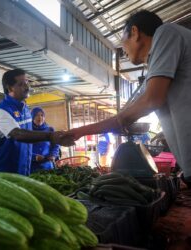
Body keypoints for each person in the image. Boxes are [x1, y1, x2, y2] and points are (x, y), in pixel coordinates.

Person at [65, 10, 191, 184]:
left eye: (122, 41)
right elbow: (130, 110)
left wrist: (121, 120)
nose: (123, 51)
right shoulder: (154, 74)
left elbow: (151, 101)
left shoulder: (166, 32)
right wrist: (79, 132)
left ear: (134, 32)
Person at [0, 69, 72, 175]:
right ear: (10, 88)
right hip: (4, 172)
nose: (27, 87)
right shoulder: (2, 112)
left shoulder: (25, 108)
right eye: (21, 84)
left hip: (23, 170)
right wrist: (51, 136)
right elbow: (18, 134)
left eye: (27, 82)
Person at [31, 107, 60, 172]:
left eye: (42, 115)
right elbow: (23, 148)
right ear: (32, 117)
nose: (40, 117)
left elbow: (56, 144)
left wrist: (53, 154)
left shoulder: (50, 130)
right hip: (32, 166)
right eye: (37, 115)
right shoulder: (28, 130)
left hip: (48, 165)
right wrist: (34, 157)